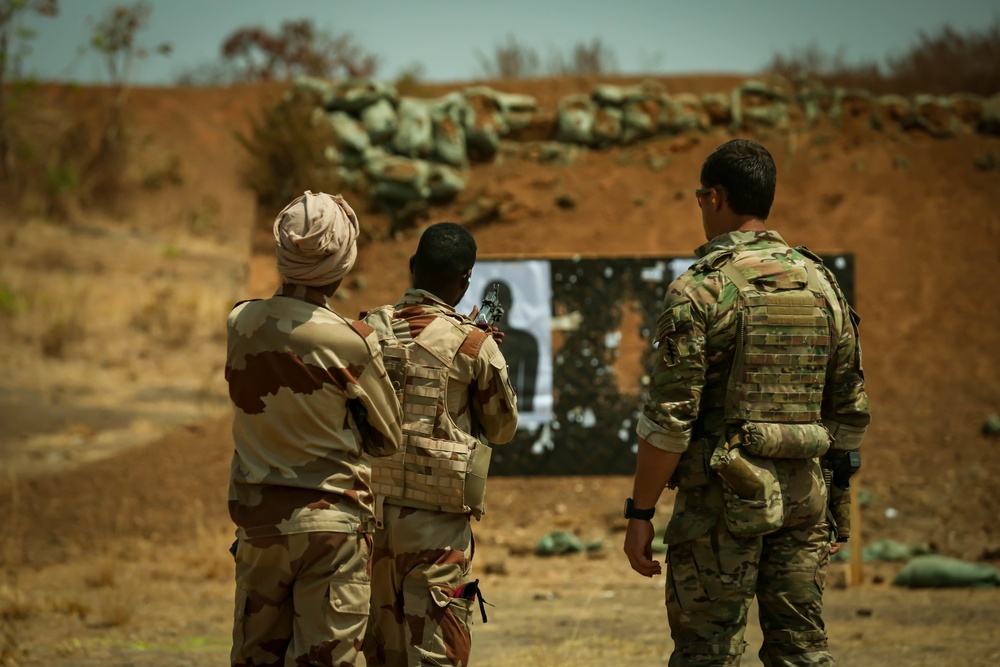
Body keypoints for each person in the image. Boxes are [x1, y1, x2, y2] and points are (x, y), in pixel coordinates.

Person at [623, 139, 871, 666]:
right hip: (806, 500)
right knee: (802, 650)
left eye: (699, 197)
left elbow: (671, 421)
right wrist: (838, 509)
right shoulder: (823, 285)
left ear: (715, 197)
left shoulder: (701, 289)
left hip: (720, 509)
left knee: (707, 654)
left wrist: (640, 512)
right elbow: (848, 410)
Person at [226, 191, 403, 667]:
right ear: (343, 262)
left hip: (259, 527)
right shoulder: (350, 343)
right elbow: (388, 438)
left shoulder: (240, 322)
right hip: (332, 533)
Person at [361, 222, 519, 666]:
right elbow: (503, 429)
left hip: (369, 521)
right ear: (466, 279)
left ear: (413, 268)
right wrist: (482, 352)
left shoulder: (366, 329)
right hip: (436, 532)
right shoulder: (472, 344)